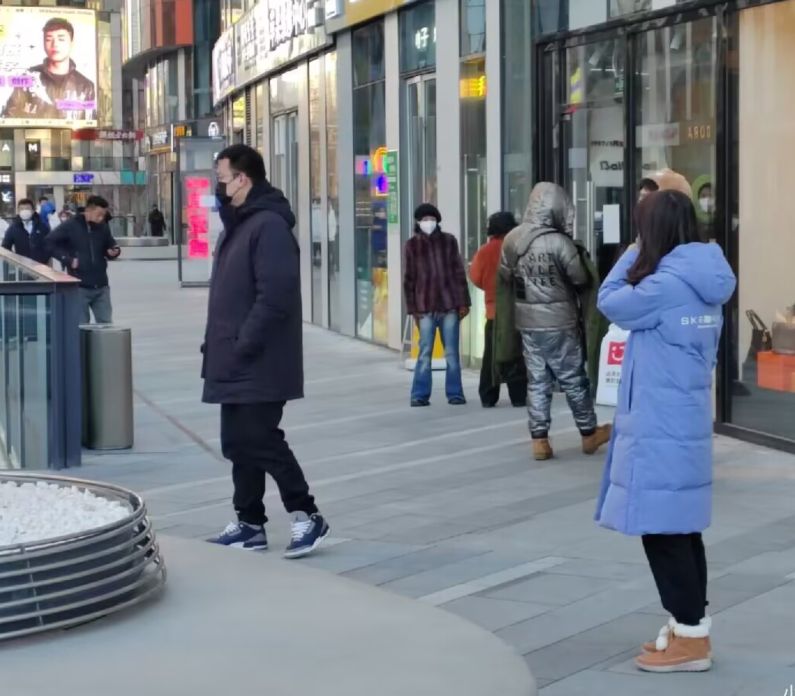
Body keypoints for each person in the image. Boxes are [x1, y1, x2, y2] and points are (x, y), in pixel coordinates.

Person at [595, 190, 736, 673]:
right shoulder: (704, 276)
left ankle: (691, 638)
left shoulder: (665, 285)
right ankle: (687, 627)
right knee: (680, 526)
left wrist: (635, 250)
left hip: (660, 422)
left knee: (662, 530)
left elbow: (608, 299)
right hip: (683, 417)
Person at [203, 144, 330, 559]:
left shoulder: (268, 226)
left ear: (244, 179)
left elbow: (274, 297)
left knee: (260, 437)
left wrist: (243, 344)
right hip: (233, 357)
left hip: (259, 358)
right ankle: (249, 522)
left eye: (222, 180)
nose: (218, 188)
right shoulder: (237, 225)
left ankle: (306, 514)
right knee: (237, 443)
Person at [500, 182, 611, 461]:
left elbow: (503, 276)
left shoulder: (513, 239)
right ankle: (588, 433)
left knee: (537, 380)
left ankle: (540, 440)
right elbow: (580, 278)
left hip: (527, 321)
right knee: (574, 378)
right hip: (560, 321)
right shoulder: (560, 242)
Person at [403, 203, 471, 407]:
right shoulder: (412, 245)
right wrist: (412, 309)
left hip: (449, 305)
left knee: (451, 353)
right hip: (424, 308)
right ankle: (419, 395)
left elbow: (459, 273)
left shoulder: (449, 241)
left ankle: (455, 393)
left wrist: (464, 302)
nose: (428, 223)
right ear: (418, 222)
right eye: (424, 219)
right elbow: (409, 279)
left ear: (437, 221)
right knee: (424, 353)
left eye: (431, 219)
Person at [470, 211, 527, 408]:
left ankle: (488, 395)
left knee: (491, 356)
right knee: (516, 354)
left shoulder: (485, 252)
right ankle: (518, 396)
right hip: (519, 311)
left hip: (494, 312)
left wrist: (489, 289)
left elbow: (476, 277)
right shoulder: (520, 248)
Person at [2, 17, 95, 123]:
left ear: (72, 43)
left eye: (61, 39)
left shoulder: (86, 86)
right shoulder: (28, 77)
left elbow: (89, 124)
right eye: (48, 39)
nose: (55, 44)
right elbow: (9, 116)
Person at [46, 195, 120, 324]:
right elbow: (49, 243)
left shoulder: (102, 227)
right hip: (79, 286)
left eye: (104, 215)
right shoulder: (70, 225)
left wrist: (113, 252)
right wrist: (67, 259)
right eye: (99, 214)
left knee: (106, 324)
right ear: (89, 210)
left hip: (101, 285)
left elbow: (110, 245)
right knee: (81, 327)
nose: (101, 218)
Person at [2, 198, 50, 264]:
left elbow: (50, 245)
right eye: (21, 209)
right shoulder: (13, 228)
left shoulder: (43, 227)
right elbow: (5, 247)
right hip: (22, 268)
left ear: (33, 211)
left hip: (41, 267)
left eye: (27, 209)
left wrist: (44, 260)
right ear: (18, 211)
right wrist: (15, 260)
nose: (24, 211)